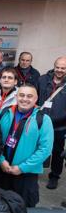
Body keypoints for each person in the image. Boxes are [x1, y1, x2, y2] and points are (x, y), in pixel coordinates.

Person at [0, 84, 54, 207]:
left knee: (23, 210)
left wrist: (22, 168)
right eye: (22, 95)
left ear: (36, 99)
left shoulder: (43, 120)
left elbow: (45, 150)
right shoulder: (5, 113)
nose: (25, 99)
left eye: (29, 96)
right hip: (0, 170)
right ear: (16, 96)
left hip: (25, 175)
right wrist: (1, 160)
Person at [38, 56, 66, 189]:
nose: (59, 70)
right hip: (41, 122)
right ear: (54, 66)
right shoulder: (42, 80)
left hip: (60, 126)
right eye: (58, 67)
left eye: (63, 68)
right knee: (37, 147)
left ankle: (54, 176)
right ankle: (33, 172)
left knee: (57, 151)